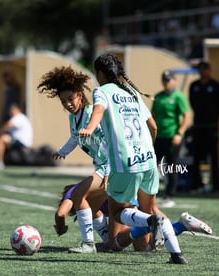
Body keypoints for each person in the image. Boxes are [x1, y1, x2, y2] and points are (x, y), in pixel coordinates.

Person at [79, 53, 187, 264]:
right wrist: (149, 149)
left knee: (118, 211)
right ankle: (176, 254)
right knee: (152, 207)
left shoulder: (102, 91)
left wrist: (89, 127)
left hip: (124, 162)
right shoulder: (133, 93)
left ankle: (149, 221)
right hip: (148, 160)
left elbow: (98, 110)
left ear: (100, 73)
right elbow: (153, 126)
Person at [37, 66, 109, 253]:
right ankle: (109, 239)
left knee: (78, 196)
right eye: (63, 101)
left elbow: (112, 142)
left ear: (79, 94)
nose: (67, 103)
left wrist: (110, 169)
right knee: (94, 211)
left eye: (70, 99)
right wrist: (63, 151)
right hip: (102, 167)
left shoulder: (92, 113)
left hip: (111, 167)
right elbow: (75, 137)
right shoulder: (74, 118)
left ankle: (89, 245)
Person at [55, 183, 212, 252]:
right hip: (129, 191)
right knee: (143, 246)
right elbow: (103, 229)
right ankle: (181, 225)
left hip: (124, 200)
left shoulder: (74, 194)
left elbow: (60, 213)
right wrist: (104, 243)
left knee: (118, 245)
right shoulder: (90, 204)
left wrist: (60, 226)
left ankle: (149, 224)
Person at [151, 70, 190, 208]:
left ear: (174, 80)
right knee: (151, 165)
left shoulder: (179, 97)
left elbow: (186, 116)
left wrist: (179, 133)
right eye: (164, 80)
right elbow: (153, 116)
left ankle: (169, 195)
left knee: (171, 166)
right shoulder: (158, 97)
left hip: (172, 137)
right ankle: (150, 193)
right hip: (159, 137)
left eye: (168, 80)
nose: (166, 83)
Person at [189, 61, 219, 192]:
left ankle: (215, 185)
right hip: (198, 126)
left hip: (212, 127)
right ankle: (196, 185)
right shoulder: (194, 86)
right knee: (197, 156)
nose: (203, 72)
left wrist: (213, 117)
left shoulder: (216, 86)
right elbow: (193, 103)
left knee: (213, 156)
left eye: (205, 69)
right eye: (200, 69)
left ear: (209, 70)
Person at [0, 104, 32, 170]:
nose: (11, 112)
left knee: (1, 140)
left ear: (18, 110)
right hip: (17, 141)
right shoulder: (17, 118)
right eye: (10, 110)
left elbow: (8, 125)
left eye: (13, 110)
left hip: (22, 143)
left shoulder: (19, 117)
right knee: (1, 139)